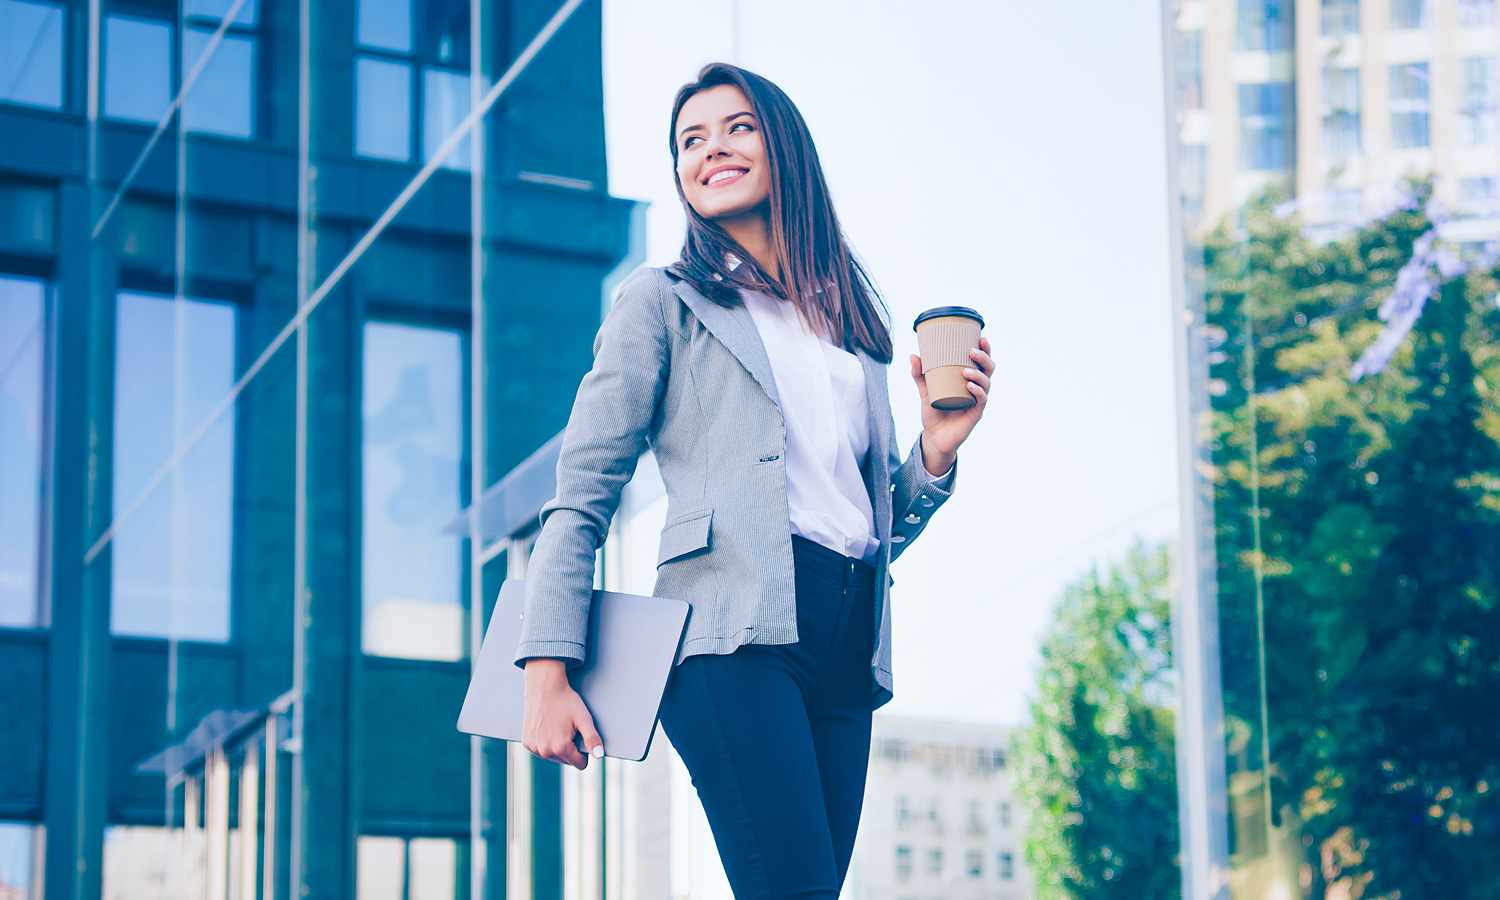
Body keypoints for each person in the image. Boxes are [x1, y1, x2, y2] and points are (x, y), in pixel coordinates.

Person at [515, 62, 994, 900]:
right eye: (689, 141)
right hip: (726, 634)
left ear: (784, 147)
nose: (711, 150)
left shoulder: (850, 329)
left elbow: (870, 520)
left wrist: (935, 453)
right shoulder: (662, 301)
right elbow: (582, 488)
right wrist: (544, 667)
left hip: (847, 641)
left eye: (736, 127)